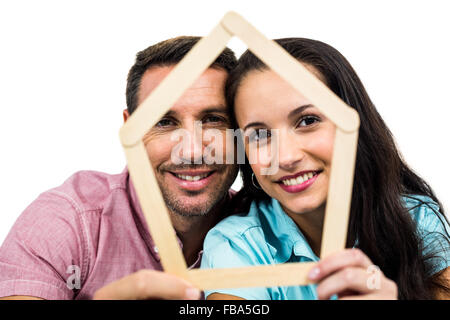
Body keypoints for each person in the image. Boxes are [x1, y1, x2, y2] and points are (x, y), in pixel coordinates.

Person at [201, 38, 450, 300]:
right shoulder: (235, 244)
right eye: (260, 134)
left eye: (308, 121)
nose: (286, 157)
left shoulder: (415, 218)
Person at [0, 36, 240, 300]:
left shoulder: (268, 230)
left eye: (214, 120)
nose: (192, 151)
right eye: (164, 122)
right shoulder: (65, 222)